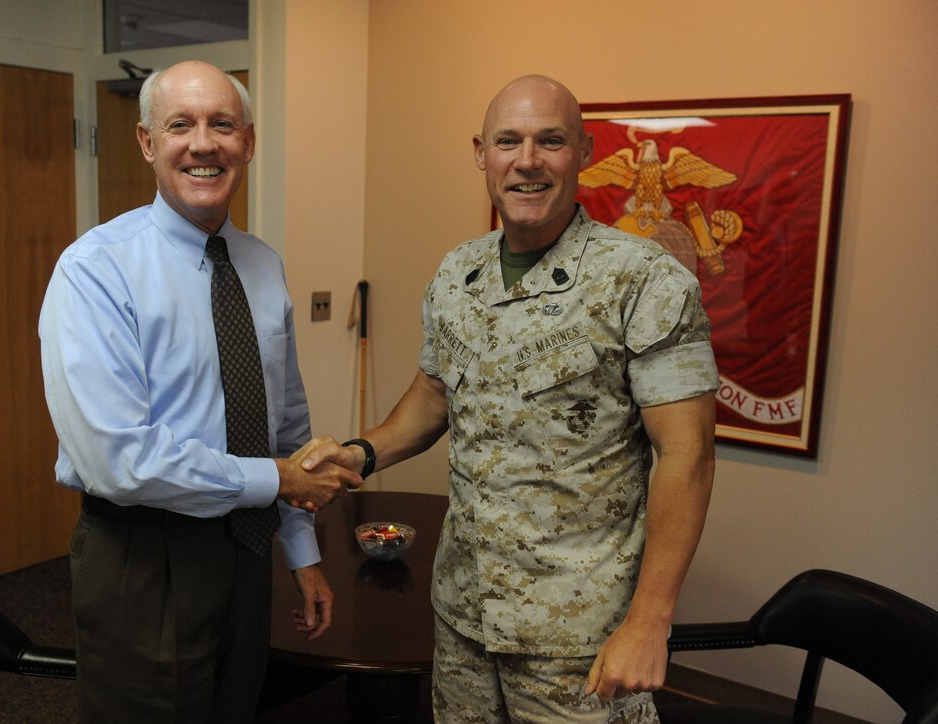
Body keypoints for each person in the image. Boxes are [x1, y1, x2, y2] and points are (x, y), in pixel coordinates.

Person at [301, 75, 718, 722]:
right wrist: (361, 451)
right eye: (508, 141)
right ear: (481, 154)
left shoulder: (646, 281)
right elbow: (434, 397)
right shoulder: (456, 275)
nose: (527, 160)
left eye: (550, 141)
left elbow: (687, 455)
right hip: (465, 614)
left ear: (583, 151)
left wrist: (649, 621)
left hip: (581, 635)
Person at [39, 61, 360, 723]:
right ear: (148, 143)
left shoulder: (263, 265)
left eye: (222, 124)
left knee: (235, 706)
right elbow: (118, 459)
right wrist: (278, 481)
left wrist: (302, 555)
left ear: (246, 141)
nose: (204, 144)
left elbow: (287, 424)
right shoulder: (96, 270)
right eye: (180, 125)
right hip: (141, 560)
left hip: (244, 551)